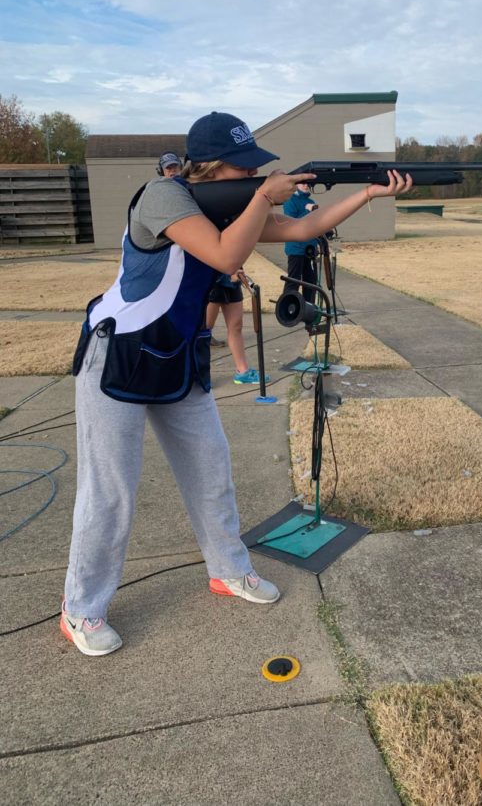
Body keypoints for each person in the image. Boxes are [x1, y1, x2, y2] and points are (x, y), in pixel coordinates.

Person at [61, 110, 411, 656]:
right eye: (241, 171)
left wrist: (367, 194)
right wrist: (262, 198)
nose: (250, 179)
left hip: (177, 353)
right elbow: (226, 255)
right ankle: (81, 608)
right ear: (211, 167)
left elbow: (301, 228)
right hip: (119, 354)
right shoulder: (162, 196)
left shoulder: (228, 204)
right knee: (111, 492)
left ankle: (228, 570)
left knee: (211, 468)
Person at [205, 270, 267, 384]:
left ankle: (242, 371)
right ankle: (200, 373)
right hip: (211, 279)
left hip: (232, 281)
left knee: (236, 327)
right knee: (205, 330)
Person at [282, 183, 319, 304]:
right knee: (294, 280)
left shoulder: (310, 201)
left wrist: (316, 243)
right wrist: (307, 210)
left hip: (309, 248)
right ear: (296, 184)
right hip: (296, 248)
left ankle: (309, 309)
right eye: (303, 183)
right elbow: (292, 222)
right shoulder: (290, 200)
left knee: (310, 281)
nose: (306, 185)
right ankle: (288, 308)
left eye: (308, 183)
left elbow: (313, 224)